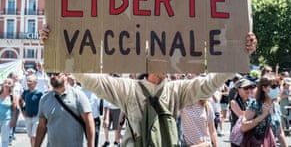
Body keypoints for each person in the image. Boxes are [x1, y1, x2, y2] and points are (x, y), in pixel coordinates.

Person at [39, 25, 257, 146]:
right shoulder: (127, 89)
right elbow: (88, 78)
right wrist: (53, 44)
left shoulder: (176, 89)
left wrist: (240, 54)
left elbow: (211, 83)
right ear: (146, 61)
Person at [34, 73, 95, 147]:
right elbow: (41, 127)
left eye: (56, 74)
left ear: (66, 75)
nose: (52, 76)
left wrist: (91, 145)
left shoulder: (79, 96)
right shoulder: (44, 99)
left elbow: (89, 123)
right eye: (50, 74)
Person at [241, 72, 288, 147]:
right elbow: (243, 127)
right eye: (273, 86)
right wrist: (262, 116)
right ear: (264, 88)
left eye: (278, 86)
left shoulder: (276, 106)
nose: (277, 89)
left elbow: (279, 132)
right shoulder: (255, 104)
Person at [229, 78, 255, 147]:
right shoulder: (234, 102)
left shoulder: (251, 101)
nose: (248, 90)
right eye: (246, 88)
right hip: (238, 136)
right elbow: (244, 118)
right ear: (238, 89)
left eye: (250, 87)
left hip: (249, 134)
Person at [19, 74, 43, 147]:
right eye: (27, 81)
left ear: (35, 82)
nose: (28, 83)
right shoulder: (25, 92)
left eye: (30, 81)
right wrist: (23, 110)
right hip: (28, 117)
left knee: (34, 136)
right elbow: (20, 100)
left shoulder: (40, 93)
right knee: (31, 136)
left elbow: (44, 104)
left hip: (36, 117)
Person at [0, 78, 18, 147]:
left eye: (9, 83)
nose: (7, 84)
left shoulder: (12, 97)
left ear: (11, 86)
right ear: (3, 84)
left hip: (6, 120)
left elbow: (15, 110)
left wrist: (13, 121)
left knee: (5, 140)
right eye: (5, 82)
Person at [7, 72, 23, 143]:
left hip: (18, 106)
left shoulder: (19, 85)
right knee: (10, 121)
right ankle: (9, 137)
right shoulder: (8, 84)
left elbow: (21, 94)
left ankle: (12, 135)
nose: (16, 78)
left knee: (15, 121)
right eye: (15, 77)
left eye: (17, 77)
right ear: (11, 77)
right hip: (9, 105)